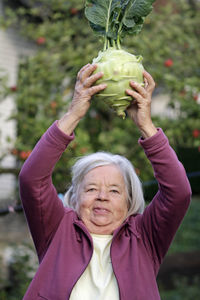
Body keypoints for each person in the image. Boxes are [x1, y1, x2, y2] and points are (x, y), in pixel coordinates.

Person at [19, 63, 191, 300]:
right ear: (76, 196)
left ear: (130, 201)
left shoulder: (144, 237)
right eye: (91, 189)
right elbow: (32, 180)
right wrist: (74, 114)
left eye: (114, 191)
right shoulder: (58, 229)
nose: (102, 196)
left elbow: (179, 193)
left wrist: (145, 125)